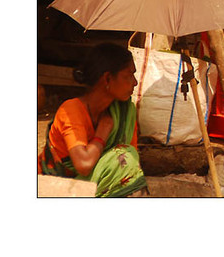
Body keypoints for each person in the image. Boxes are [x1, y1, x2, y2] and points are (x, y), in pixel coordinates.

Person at [38, 42, 148, 197]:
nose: (135, 82)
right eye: (128, 75)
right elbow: (83, 164)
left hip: (93, 182)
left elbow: (132, 156)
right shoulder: (71, 110)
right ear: (107, 79)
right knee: (122, 160)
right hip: (57, 186)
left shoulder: (124, 111)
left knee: (126, 159)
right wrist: (102, 132)